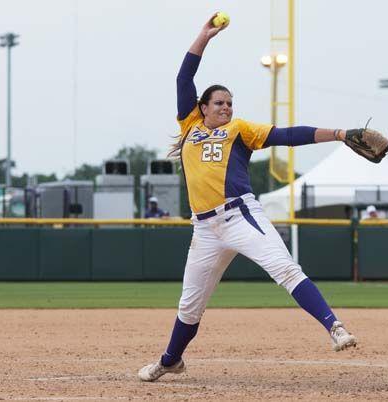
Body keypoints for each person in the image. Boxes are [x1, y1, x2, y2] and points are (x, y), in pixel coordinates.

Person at [138, 14, 371, 382]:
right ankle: (170, 360)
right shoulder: (190, 126)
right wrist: (204, 36)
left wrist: (340, 133)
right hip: (205, 229)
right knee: (190, 305)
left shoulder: (240, 129)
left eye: (230, 103)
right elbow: (184, 78)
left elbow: (289, 135)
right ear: (203, 107)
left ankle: (335, 327)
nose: (226, 108)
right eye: (219, 103)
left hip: (240, 215)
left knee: (284, 269)